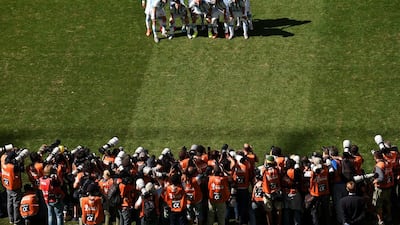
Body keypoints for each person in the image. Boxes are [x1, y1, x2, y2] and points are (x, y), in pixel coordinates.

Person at [2, 150, 23, 225]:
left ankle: (11, 219)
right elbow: (20, 169)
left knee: (9, 203)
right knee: (16, 204)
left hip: (7, 185)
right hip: (14, 187)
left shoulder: (3, 163)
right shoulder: (13, 167)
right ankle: (16, 221)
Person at [372, 151, 393, 225]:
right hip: (389, 186)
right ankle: (389, 216)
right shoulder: (388, 162)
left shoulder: (379, 165)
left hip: (381, 189)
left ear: (375, 157)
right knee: (388, 203)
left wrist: (374, 181)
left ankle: (380, 220)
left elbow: (381, 178)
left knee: (378, 205)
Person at [262, 155, 283, 225]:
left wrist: (266, 161)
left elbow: (262, 169)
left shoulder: (265, 171)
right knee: (279, 210)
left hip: (268, 193)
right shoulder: (277, 170)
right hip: (277, 191)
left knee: (268, 211)